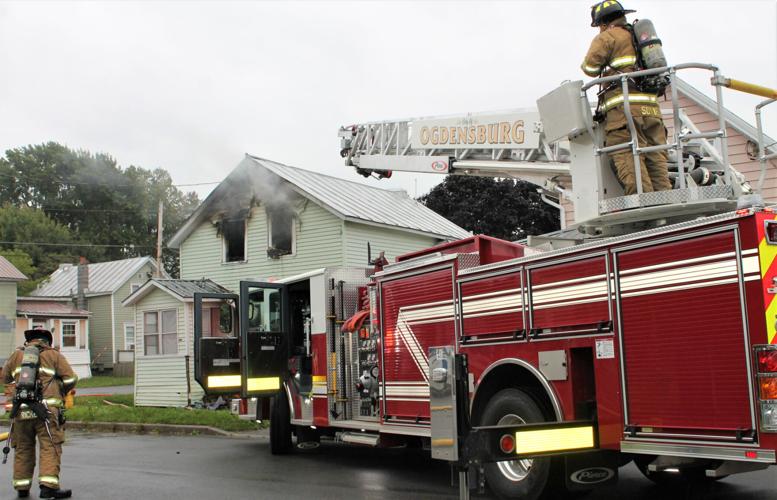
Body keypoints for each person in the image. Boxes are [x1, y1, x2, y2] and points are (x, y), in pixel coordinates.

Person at [581, 0, 672, 195]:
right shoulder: (638, 37)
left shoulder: (608, 37)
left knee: (628, 157)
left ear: (603, 24)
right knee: (656, 158)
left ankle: (645, 207)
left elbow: (589, 68)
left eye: (599, 27)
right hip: (652, 110)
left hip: (624, 113)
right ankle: (666, 199)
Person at [2, 328, 77, 498]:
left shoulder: (16, 356)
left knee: (22, 448)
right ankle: (48, 487)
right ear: (47, 341)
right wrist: (59, 388)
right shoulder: (54, 355)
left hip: (20, 410)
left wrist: (16, 388)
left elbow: (5, 378)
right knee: (50, 446)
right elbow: (71, 379)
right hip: (47, 411)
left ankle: (22, 487)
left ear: (29, 340)